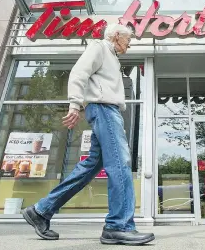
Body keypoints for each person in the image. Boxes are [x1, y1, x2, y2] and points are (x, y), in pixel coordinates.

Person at [22, 23, 155, 245]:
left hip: (107, 111)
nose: (130, 43)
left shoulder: (112, 56)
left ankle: (41, 211)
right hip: (104, 110)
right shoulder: (99, 47)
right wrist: (75, 104)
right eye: (128, 38)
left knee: (89, 168)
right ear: (115, 36)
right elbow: (79, 73)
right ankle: (118, 226)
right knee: (121, 163)